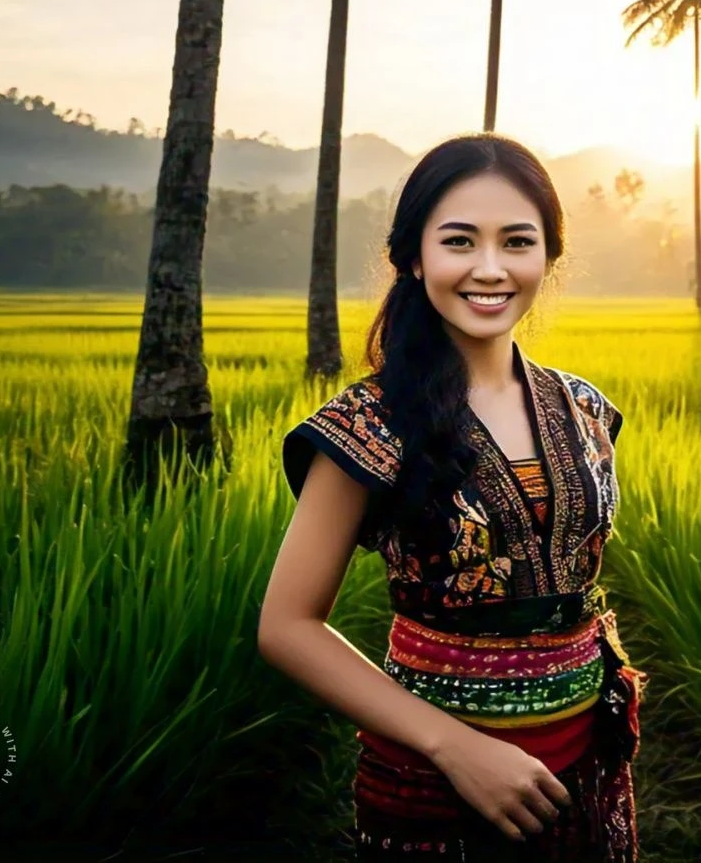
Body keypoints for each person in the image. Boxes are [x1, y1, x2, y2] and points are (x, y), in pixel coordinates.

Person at [257, 133, 648, 860]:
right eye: (460, 241)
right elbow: (286, 626)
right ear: (414, 257)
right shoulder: (369, 422)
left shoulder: (587, 408)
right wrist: (456, 747)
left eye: (518, 242)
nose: (491, 269)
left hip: (587, 768)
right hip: (433, 784)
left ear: (549, 256)